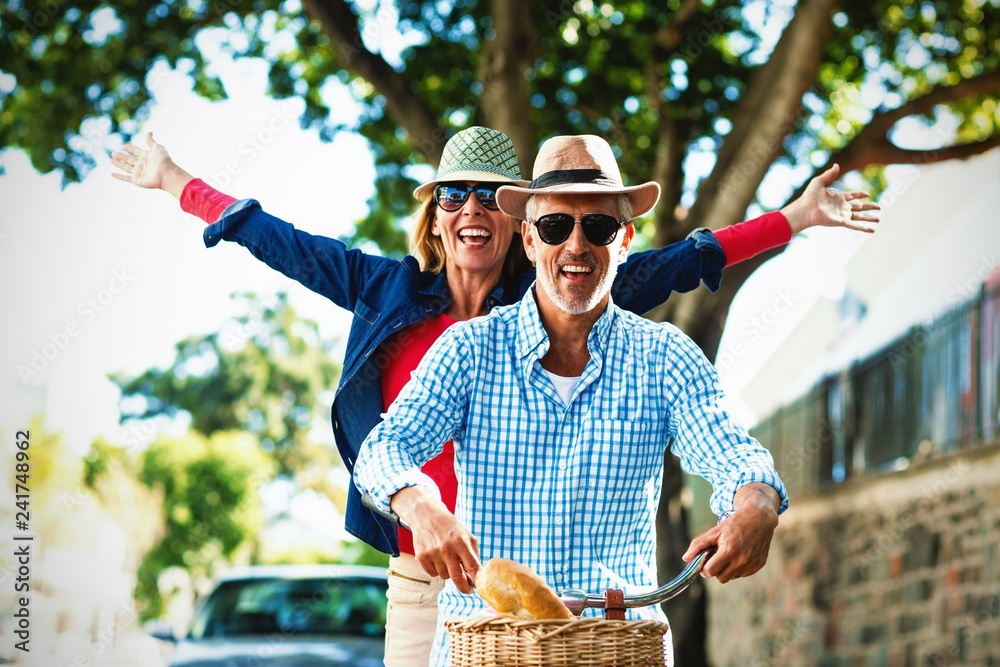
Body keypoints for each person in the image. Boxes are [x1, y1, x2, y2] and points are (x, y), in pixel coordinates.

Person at [111, 127, 877, 666]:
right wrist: (179, 182)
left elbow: (691, 263)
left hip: (610, 630)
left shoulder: (617, 310)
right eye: (455, 196)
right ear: (455, 218)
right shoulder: (403, 302)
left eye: (597, 225)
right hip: (441, 581)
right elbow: (279, 243)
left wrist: (796, 220)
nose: (575, 243)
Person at [353, 134, 795, 667]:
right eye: (556, 225)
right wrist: (420, 505)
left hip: (619, 647)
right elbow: (383, 449)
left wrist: (756, 502)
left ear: (625, 238)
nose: (576, 245)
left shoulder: (665, 355)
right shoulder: (469, 349)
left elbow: (732, 453)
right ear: (530, 240)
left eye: (599, 226)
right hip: (487, 648)